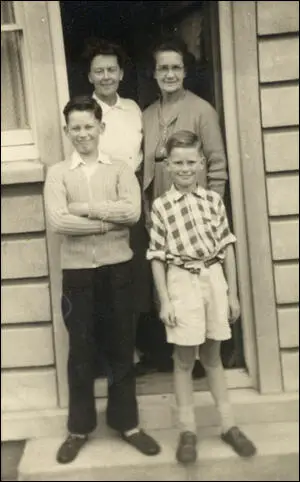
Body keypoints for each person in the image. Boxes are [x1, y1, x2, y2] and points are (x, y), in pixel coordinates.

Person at [44, 96, 160, 464]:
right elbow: (59, 222)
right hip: (78, 274)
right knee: (81, 351)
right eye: (75, 128)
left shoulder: (121, 169)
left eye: (89, 126)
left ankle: (127, 424)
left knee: (121, 346)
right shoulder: (58, 173)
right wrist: (106, 223)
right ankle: (78, 429)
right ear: (67, 131)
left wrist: (85, 210)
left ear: (101, 128)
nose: (83, 134)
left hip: (118, 270)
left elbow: (132, 212)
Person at [146, 130, 256, 464]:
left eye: (191, 162)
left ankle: (228, 425)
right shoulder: (162, 207)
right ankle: (188, 431)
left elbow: (227, 248)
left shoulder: (212, 200)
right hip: (181, 281)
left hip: (213, 280)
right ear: (167, 165)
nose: (184, 169)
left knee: (213, 356)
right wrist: (165, 299)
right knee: (183, 360)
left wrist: (232, 293)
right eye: (177, 163)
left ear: (202, 163)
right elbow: (157, 257)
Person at [140, 36, 228, 375]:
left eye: (176, 67)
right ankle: (175, 353)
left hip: (196, 210)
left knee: (201, 281)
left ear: (185, 72)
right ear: (154, 73)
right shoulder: (148, 114)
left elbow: (217, 165)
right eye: (163, 68)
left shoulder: (202, 110)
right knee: (168, 279)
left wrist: (211, 211)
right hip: (162, 209)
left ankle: (205, 358)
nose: (170, 73)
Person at [83, 38, 152, 373]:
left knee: (135, 273)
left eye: (112, 69)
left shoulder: (133, 110)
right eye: (99, 71)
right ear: (90, 76)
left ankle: (132, 350)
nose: (106, 76)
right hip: (100, 197)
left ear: (122, 74)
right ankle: (105, 355)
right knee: (104, 276)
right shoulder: (84, 112)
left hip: (132, 194)